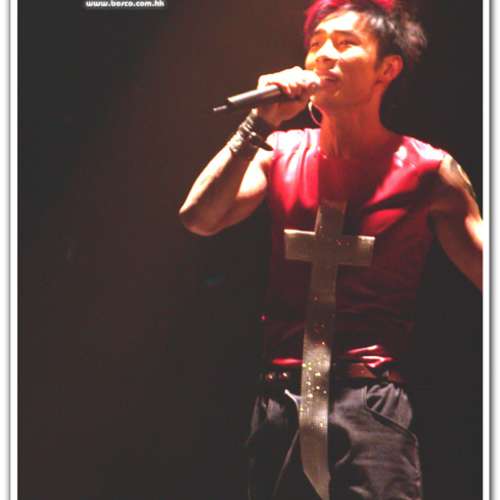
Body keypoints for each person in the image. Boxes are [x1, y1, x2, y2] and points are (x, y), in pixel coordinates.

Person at [179, 0, 483, 498]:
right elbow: (199, 218)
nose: (324, 55)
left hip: (370, 402)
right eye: (316, 44)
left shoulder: (429, 170)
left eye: (345, 44)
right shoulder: (278, 151)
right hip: (279, 401)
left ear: (387, 69)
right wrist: (259, 122)